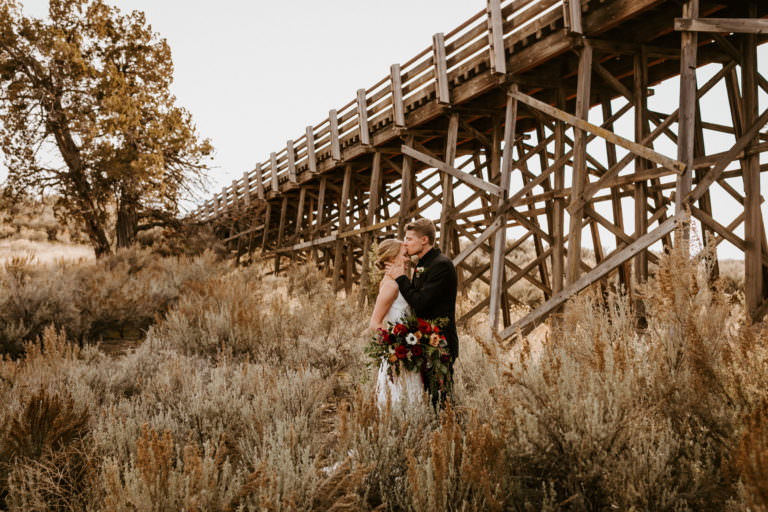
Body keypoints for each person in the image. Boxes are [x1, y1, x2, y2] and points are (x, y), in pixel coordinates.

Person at [386, 218, 458, 406]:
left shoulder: (441, 264)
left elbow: (421, 302)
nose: (405, 243)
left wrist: (401, 278)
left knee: (441, 399)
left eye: (409, 239)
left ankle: (446, 432)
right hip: (424, 340)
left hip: (440, 343)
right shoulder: (423, 263)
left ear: (424, 240)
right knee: (427, 397)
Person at [369, 238, 423, 409]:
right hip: (399, 354)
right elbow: (375, 323)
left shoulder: (397, 283)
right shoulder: (391, 286)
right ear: (392, 259)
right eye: (404, 255)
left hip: (406, 351)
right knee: (401, 402)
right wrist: (395, 348)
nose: (408, 259)